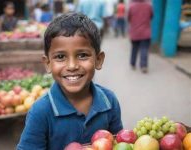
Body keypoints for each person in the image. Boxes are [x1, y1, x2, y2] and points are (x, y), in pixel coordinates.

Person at [17, 12, 123, 150]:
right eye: (60, 56)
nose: (72, 66)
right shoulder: (40, 112)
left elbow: (119, 143)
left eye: (82, 55)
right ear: (48, 63)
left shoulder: (109, 101)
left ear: (98, 60)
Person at [127, 0, 153, 73]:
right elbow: (151, 16)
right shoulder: (149, 5)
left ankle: (132, 64)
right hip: (145, 32)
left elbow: (128, 18)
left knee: (134, 48)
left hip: (135, 32)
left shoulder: (131, 6)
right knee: (144, 49)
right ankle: (144, 66)